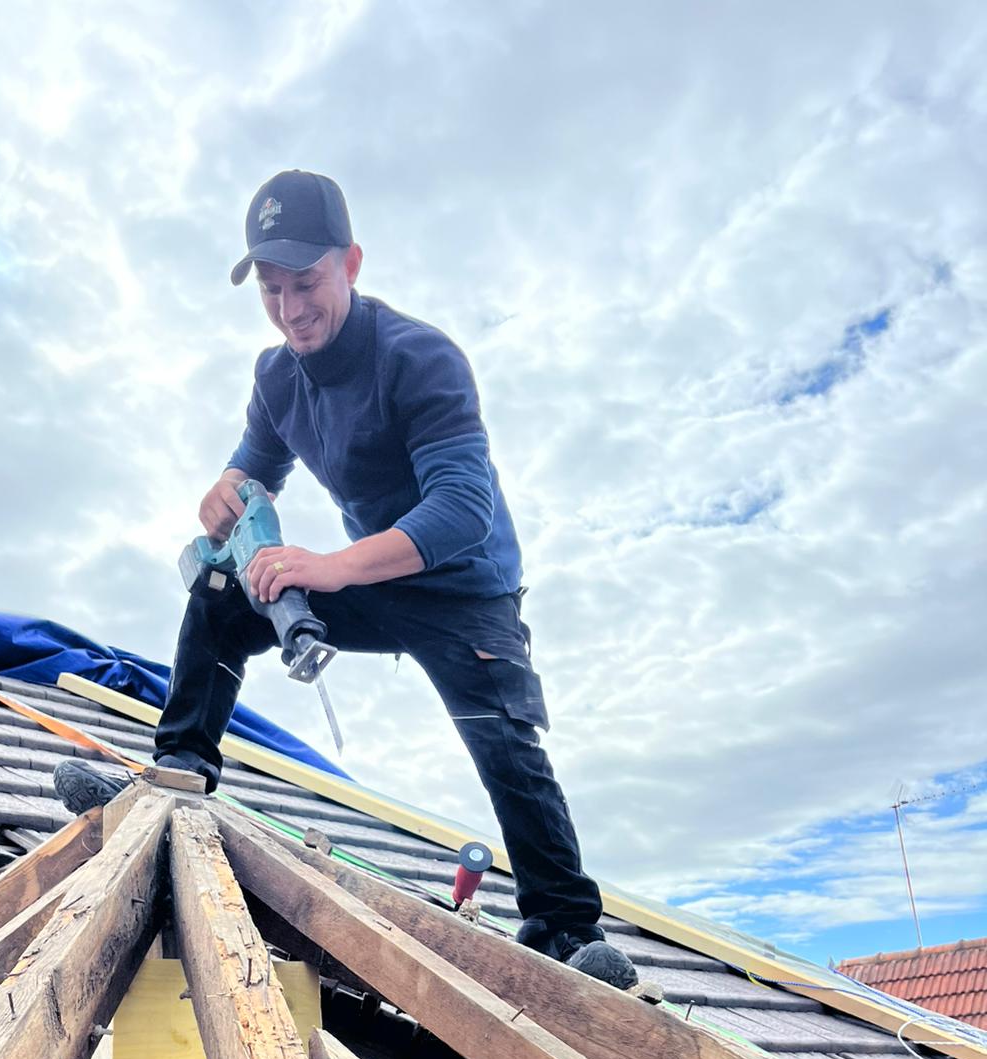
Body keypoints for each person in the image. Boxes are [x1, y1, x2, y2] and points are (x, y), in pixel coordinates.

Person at [56, 170, 637, 991]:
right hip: (374, 577)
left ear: (351, 263)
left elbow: (461, 510)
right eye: (271, 289)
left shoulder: (419, 359)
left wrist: (326, 568)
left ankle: (569, 932)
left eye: (308, 283)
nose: (291, 309)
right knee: (227, 591)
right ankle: (177, 778)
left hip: (467, 592)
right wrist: (221, 494)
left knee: (503, 738)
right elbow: (254, 464)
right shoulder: (276, 378)